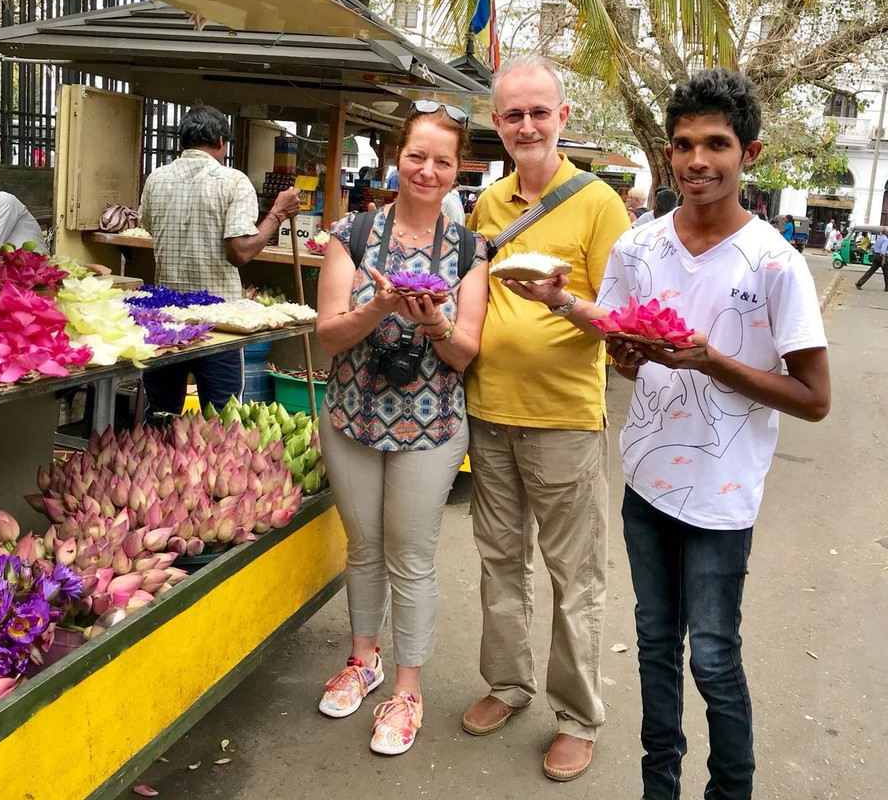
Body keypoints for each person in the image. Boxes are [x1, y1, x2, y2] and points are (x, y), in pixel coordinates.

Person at [504, 66, 831, 800]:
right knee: (655, 645)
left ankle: (729, 790)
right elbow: (626, 349)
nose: (697, 161)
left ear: (750, 152)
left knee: (713, 657)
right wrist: (596, 333)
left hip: (722, 497)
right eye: (684, 144)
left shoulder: (777, 263)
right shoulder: (639, 249)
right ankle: (660, 787)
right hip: (646, 483)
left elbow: (814, 399)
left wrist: (713, 361)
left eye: (716, 143)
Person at [460, 54, 631, 782]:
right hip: (488, 413)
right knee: (500, 563)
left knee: (575, 576)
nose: (527, 124)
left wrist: (560, 301)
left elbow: (622, 326)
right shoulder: (487, 204)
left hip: (564, 419)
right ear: (497, 125)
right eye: (512, 114)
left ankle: (577, 716)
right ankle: (508, 684)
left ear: (562, 118)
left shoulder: (599, 204)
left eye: (539, 111)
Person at [315, 99, 489, 756]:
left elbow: (465, 351)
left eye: (442, 160)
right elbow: (330, 336)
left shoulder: (471, 250)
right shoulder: (351, 235)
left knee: (410, 558)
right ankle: (365, 660)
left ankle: (409, 689)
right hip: (351, 415)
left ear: (456, 170)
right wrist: (381, 305)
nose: (427, 169)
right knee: (362, 548)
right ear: (397, 156)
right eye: (417, 154)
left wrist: (432, 322)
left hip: (433, 423)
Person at [137, 104, 300, 418]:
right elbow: (240, 252)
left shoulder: (156, 180)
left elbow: (148, 225)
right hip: (217, 323)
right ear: (222, 142)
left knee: (160, 414)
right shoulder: (233, 182)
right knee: (221, 421)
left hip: (165, 320)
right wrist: (277, 214)